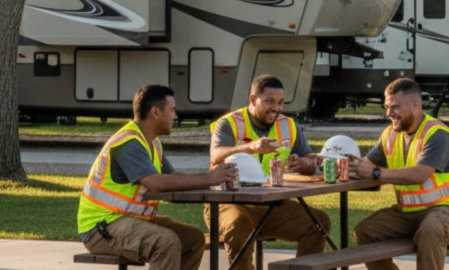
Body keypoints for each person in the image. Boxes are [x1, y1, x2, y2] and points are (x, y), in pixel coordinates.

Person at [78, 85, 237, 270]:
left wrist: (215, 179)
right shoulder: (128, 143)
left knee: (193, 239)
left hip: (131, 220)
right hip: (102, 227)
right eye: (172, 110)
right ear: (155, 112)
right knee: (166, 242)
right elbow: (155, 183)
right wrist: (209, 179)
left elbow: (172, 177)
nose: (175, 116)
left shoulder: (152, 143)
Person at [207, 75, 331, 270]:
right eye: (270, 101)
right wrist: (250, 148)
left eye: (280, 102)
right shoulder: (229, 123)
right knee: (239, 225)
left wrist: (303, 164)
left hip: (272, 204)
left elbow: (311, 161)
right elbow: (216, 155)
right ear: (252, 99)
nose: (276, 108)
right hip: (228, 203)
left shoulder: (289, 125)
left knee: (318, 223)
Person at [348, 78, 449, 270]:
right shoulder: (390, 135)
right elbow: (365, 165)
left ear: (415, 105)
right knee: (365, 231)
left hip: (448, 210)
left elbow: (419, 174)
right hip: (407, 212)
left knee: (431, 230)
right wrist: (324, 162)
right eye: (387, 107)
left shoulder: (437, 134)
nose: (389, 113)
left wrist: (375, 173)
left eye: (395, 107)